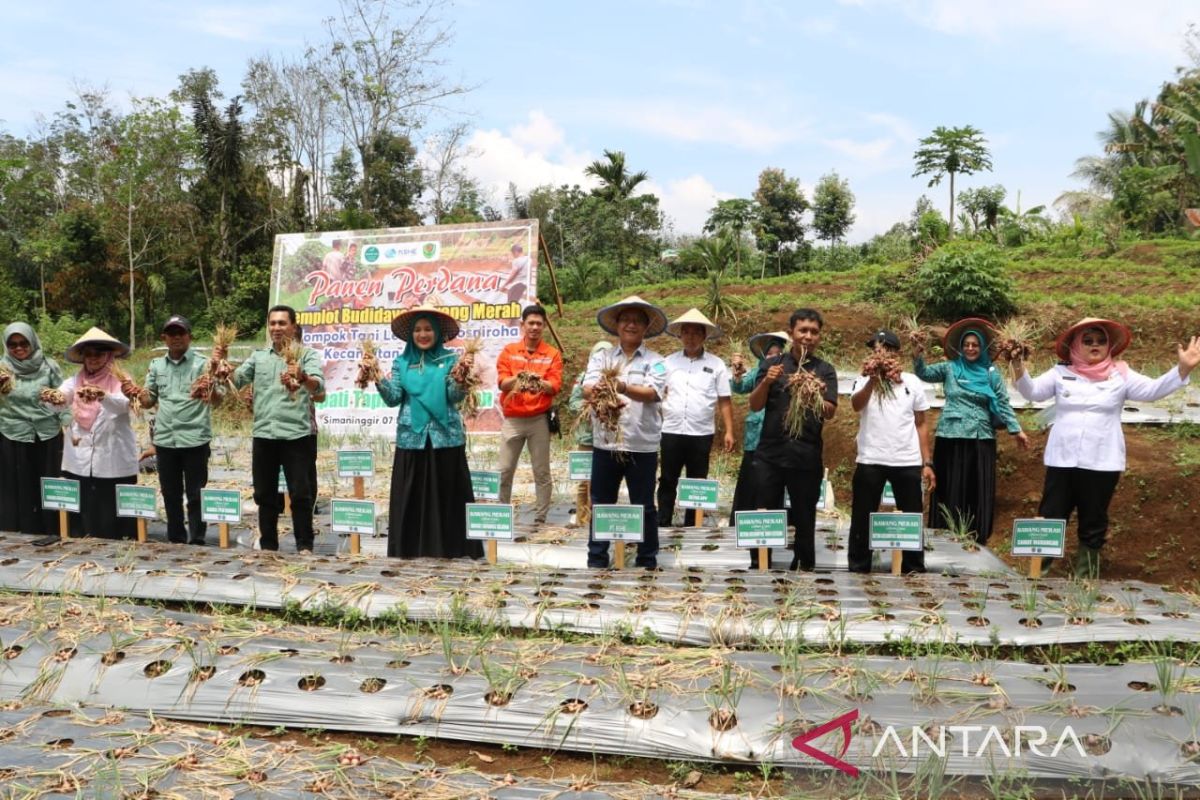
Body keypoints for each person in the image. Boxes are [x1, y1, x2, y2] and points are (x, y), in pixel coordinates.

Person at [1013, 318, 1200, 578]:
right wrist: (1017, 365)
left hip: (1102, 460)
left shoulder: (1120, 374)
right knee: (1051, 515)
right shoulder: (1060, 372)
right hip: (1062, 458)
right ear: (1076, 345)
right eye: (1088, 341)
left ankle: (1084, 578)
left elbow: (1152, 390)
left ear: (1109, 346)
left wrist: (1181, 369)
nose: (1095, 345)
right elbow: (1031, 392)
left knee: (1093, 519)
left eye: (1101, 341)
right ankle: (1037, 573)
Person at [376, 304, 482, 559]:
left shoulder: (451, 360)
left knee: (447, 497)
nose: (423, 334)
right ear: (411, 334)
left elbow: (453, 397)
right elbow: (393, 398)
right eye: (418, 330)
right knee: (411, 497)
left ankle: (450, 549)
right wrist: (377, 377)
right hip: (412, 438)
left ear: (436, 332)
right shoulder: (401, 363)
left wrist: (461, 380)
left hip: (445, 438)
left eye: (428, 329)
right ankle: (410, 549)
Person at [913, 318, 1029, 544]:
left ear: (982, 347)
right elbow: (924, 373)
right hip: (950, 436)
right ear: (960, 347)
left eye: (975, 344)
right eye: (966, 344)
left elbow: (1003, 403)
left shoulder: (990, 374)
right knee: (949, 487)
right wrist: (917, 354)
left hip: (980, 437)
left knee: (977, 488)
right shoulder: (949, 368)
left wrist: (1016, 430)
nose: (970, 348)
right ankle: (944, 536)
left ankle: (975, 538)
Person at [748, 309, 838, 571]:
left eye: (814, 332)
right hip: (770, 453)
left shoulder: (824, 370)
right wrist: (767, 381)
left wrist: (815, 393)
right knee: (764, 508)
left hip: (805, 454)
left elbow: (830, 412)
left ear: (819, 336)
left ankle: (804, 563)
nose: (808, 336)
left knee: (804, 513)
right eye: (803, 331)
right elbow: (754, 405)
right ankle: (760, 561)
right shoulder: (773, 364)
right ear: (791, 334)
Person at [583, 295, 668, 570]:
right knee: (601, 503)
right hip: (606, 443)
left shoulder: (656, 362)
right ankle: (597, 557)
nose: (631, 324)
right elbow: (587, 387)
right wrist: (601, 392)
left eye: (637, 321)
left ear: (645, 327)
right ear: (617, 325)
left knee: (644, 504)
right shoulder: (602, 357)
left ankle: (647, 559)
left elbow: (654, 393)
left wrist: (621, 388)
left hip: (641, 445)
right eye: (626, 320)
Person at [231, 306, 324, 553]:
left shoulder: (308, 355)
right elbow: (236, 379)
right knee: (264, 495)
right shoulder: (258, 357)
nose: (276, 328)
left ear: (293, 326)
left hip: (297, 436)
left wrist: (303, 377)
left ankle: (304, 546)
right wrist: (221, 369)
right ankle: (269, 546)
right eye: (272, 323)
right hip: (264, 435)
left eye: (282, 323)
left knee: (301, 495)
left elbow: (318, 387)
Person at [847, 330, 936, 573]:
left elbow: (921, 423)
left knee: (911, 517)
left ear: (896, 354)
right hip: (870, 458)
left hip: (906, 460)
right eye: (876, 349)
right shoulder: (864, 379)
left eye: (885, 349)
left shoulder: (911, 382)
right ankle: (859, 565)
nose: (879, 353)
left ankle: (913, 567)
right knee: (862, 517)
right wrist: (872, 382)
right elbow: (856, 405)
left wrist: (927, 462)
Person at [135, 315, 218, 545]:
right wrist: (133, 393)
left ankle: (198, 538)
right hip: (166, 441)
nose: (176, 338)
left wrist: (210, 389)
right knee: (170, 494)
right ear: (165, 338)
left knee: (195, 495)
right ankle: (176, 538)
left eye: (181, 333)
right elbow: (149, 400)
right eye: (171, 334)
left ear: (189, 336)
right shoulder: (156, 366)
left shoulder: (202, 364)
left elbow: (218, 399)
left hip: (195, 439)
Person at [51, 328, 138, 539]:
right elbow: (61, 398)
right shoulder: (76, 379)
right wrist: (54, 397)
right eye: (88, 354)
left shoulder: (122, 379)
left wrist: (102, 396)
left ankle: (117, 543)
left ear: (109, 356)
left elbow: (125, 405)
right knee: (85, 506)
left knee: (111, 509)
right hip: (80, 456)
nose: (93, 359)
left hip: (112, 455)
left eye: (98, 354)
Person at [657, 308, 734, 528]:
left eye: (696, 333)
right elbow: (656, 393)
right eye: (686, 332)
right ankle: (663, 520)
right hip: (671, 430)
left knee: (697, 480)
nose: (690, 337)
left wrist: (729, 431)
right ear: (680, 335)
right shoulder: (667, 362)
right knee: (668, 477)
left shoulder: (717, 364)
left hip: (701, 432)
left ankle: (693, 523)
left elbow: (724, 400)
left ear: (704, 336)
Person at [495, 304, 563, 525]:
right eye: (530, 323)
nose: (534, 327)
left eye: (539, 324)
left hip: (538, 420)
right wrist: (520, 377)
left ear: (544, 326)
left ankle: (540, 518)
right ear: (522, 325)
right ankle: (502, 514)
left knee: (541, 471)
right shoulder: (509, 351)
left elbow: (554, 386)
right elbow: (503, 383)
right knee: (504, 470)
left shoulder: (552, 354)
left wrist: (536, 381)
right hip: (513, 419)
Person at [0, 323, 68, 534]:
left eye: (23, 343)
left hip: (47, 434)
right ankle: (18, 529)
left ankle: (51, 528)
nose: (18, 348)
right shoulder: (2, 368)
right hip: (13, 433)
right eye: (12, 344)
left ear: (33, 342)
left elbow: (64, 399)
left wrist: (70, 425)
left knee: (47, 483)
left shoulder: (49, 366)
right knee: (18, 486)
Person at [729, 331, 788, 518]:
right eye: (770, 354)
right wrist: (737, 376)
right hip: (755, 436)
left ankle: (775, 523)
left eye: (777, 353)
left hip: (778, 437)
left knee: (774, 481)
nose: (773, 357)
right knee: (751, 479)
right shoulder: (758, 371)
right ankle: (744, 522)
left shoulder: (789, 373)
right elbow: (739, 387)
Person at [567, 341, 612, 528]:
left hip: (609, 438)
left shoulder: (616, 380)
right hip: (587, 437)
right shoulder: (583, 378)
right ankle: (582, 520)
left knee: (606, 482)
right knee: (585, 481)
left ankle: (601, 520)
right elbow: (573, 404)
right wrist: (588, 407)